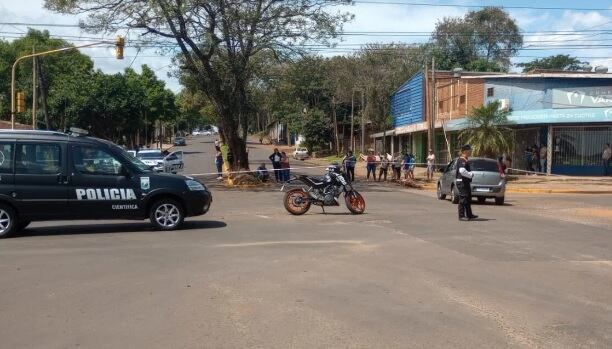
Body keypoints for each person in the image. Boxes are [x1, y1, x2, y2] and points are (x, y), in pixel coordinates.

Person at [456, 144, 478, 221]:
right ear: (465, 151)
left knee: (468, 198)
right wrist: (470, 174)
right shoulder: (461, 160)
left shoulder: (465, 159)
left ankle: (469, 214)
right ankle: (461, 216)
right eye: (470, 151)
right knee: (463, 199)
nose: (471, 152)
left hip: (465, 182)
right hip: (462, 182)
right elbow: (462, 171)